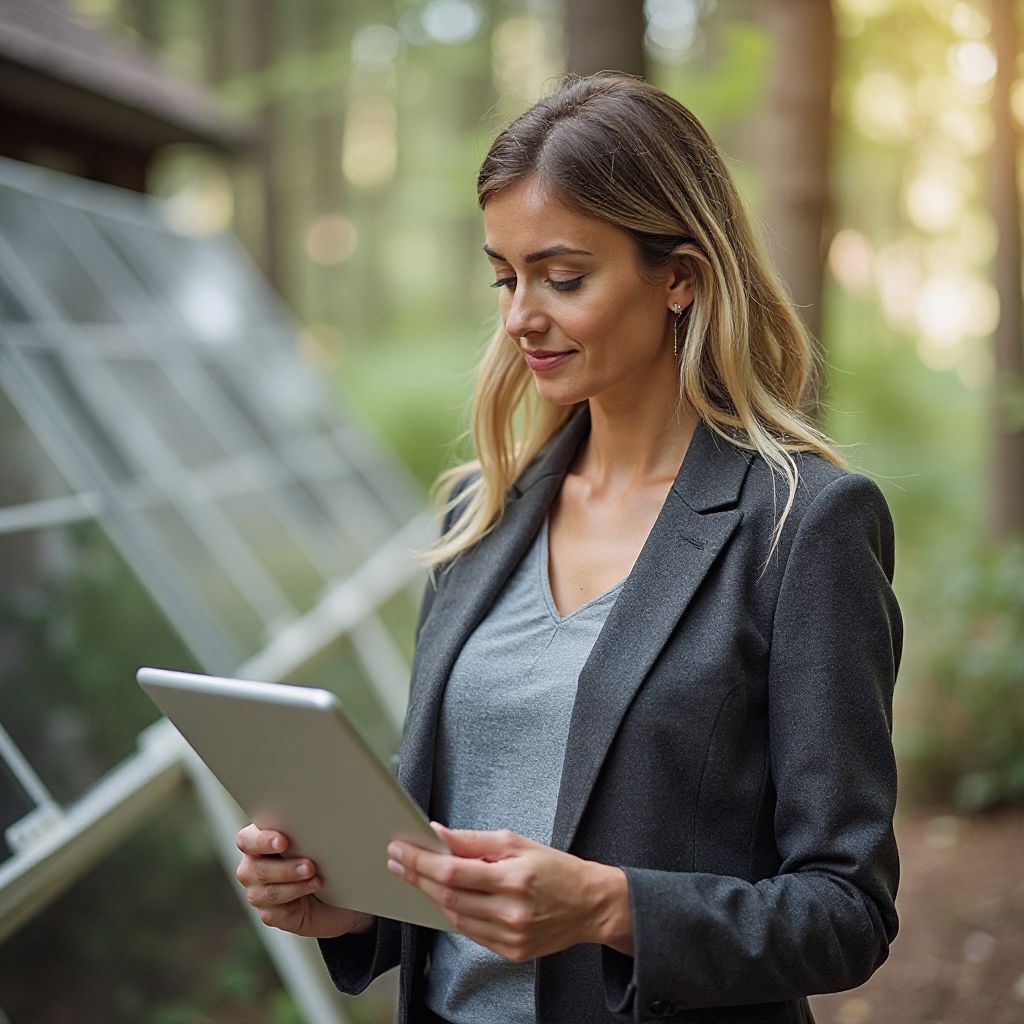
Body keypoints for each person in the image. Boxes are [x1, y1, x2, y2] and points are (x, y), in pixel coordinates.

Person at [235, 71, 903, 1024]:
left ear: (681, 277)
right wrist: (337, 905)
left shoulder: (805, 525)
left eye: (563, 277)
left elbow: (848, 912)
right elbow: (440, 861)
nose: (519, 317)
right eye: (505, 278)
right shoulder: (481, 513)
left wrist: (609, 906)